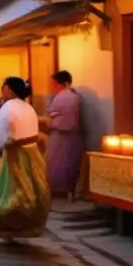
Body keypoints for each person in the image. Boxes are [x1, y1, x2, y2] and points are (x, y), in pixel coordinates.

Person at [0, 77, 51, 242]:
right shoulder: (29, 108)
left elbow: (2, 133)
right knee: (31, 193)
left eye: (4, 88)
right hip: (33, 155)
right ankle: (22, 227)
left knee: (5, 192)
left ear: (9, 90)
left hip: (13, 155)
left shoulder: (7, 108)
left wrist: (1, 148)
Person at [45, 70, 85, 199]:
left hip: (61, 136)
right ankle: (70, 192)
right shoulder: (75, 96)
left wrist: (47, 122)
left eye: (53, 83)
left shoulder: (62, 97)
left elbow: (52, 116)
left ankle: (57, 193)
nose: (51, 86)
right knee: (70, 165)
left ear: (59, 83)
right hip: (74, 137)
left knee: (56, 165)